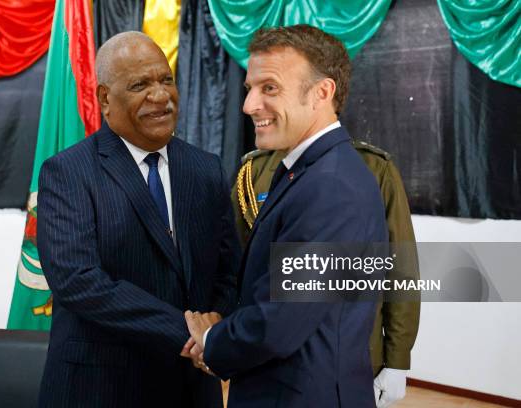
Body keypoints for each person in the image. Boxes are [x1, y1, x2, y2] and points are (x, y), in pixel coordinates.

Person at [183, 25, 388, 407]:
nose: (248, 105)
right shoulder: (309, 170)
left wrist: (213, 340)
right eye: (249, 89)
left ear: (322, 93)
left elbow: (279, 321)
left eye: (270, 88)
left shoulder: (331, 186)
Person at [36, 32, 240, 407]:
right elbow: (79, 282)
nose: (160, 96)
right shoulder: (67, 173)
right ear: (104, 98)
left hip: (191, 390)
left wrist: (215, 324)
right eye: (140, 85)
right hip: (101, 389)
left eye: (166, 80)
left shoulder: (206, 169)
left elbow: (227, 272)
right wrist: (191, 335)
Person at [232, 144, 420, 407]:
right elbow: (236, 267)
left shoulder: (373, 169)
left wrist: (397, 360)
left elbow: (400, 270)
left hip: (350, 359)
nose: (253, 106)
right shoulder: (254, 172)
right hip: (268, 357)